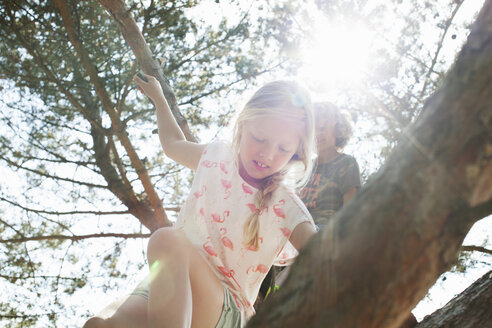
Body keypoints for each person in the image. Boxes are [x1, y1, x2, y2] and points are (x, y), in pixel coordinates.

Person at [83, 78, 318, 328]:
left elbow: (321, 254)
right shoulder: (217, 157)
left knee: (167, 240)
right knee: (98, 324)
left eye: (283, 148)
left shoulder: (285, 203)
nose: (268, 154)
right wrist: (160, 100)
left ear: (295, 153)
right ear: (243, 125)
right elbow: (173, 145)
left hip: (225, 305)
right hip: (173, 282)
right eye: (259, 138)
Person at [299, 101, 361, 228]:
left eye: (322, 127)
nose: (317, 134)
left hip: (327, 231)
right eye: (312, 130)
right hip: (299, 229)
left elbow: (351, 208)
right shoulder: (305, 168)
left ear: (337, 129)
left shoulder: (346, 163)